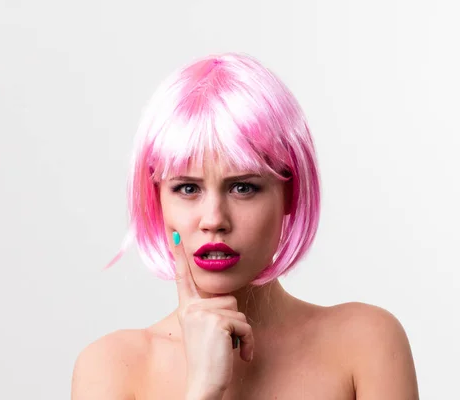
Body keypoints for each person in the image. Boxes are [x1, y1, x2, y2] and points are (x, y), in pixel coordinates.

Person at [71, 52, 419, 399]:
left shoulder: (365, 343)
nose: (214, 220)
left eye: (243, 187)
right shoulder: (112, 368)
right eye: (187, 188)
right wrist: (204, 388)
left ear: (291, 194)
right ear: (157, 199)